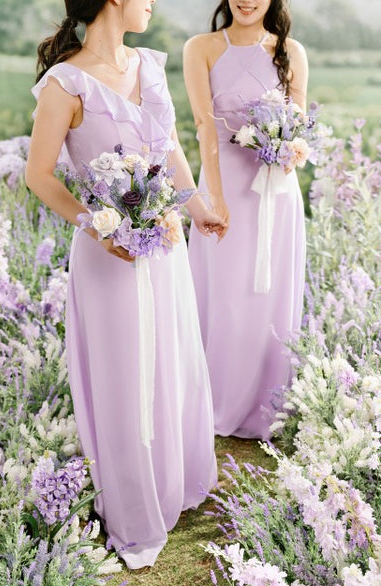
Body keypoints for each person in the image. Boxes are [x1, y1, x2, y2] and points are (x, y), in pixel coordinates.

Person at [25, 0, 225, 570]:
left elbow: (169, 149)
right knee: (124, 379)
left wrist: (198, 207)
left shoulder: (149, 65)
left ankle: (171, 483)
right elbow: (39, 174)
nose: (153, 3)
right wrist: (98, 224)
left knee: (170, 363)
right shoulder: (65, 83)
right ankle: (134, 509)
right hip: (107, 258)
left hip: (164, 248)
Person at [184, 0, 308, 439]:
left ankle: (267, 407)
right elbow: (204, 124)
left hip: (276, 192)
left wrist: (290, 152)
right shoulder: (200, 47)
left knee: (271, 297)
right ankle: (213, 401)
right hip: (224, 186)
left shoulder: (291, 51)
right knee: (226, 296)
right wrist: (215, 196)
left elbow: (298, 128)